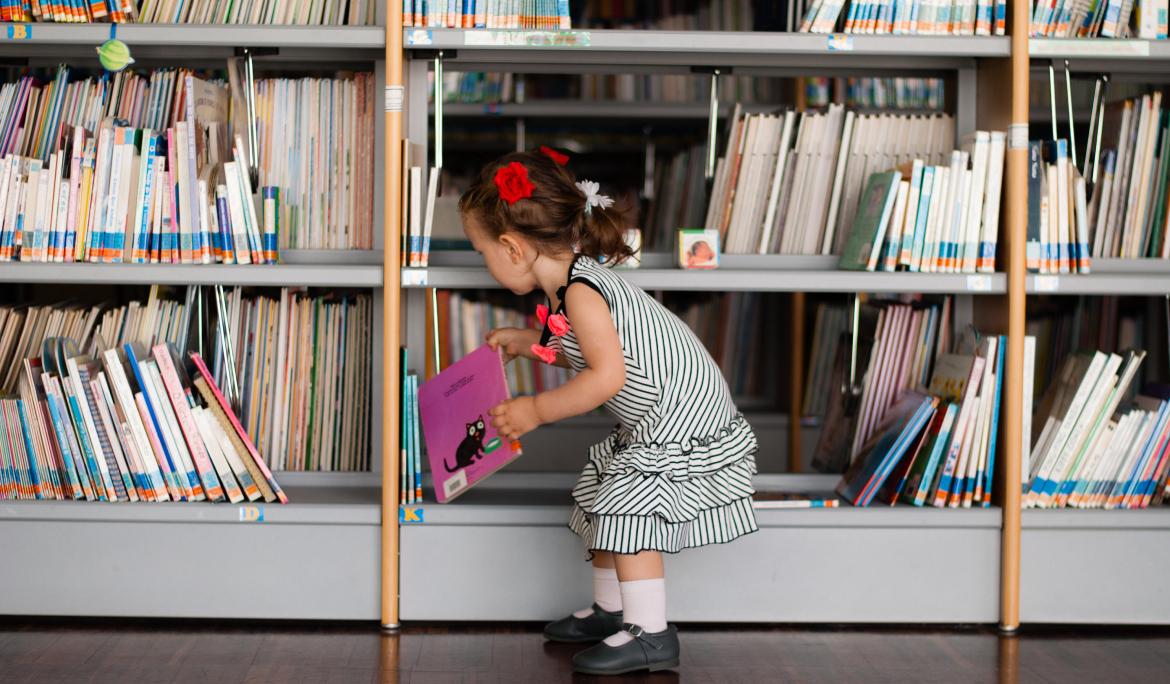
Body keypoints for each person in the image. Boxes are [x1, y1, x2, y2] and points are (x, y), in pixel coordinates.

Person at [459, 149, 759, 676]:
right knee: (604, 496)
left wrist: (536, 409)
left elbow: (606, 376)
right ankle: (612, 611)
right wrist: (528, 342)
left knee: (628, 509)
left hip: (682, 415)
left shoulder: (582, 293)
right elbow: (574, 346)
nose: (484, 260)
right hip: (658, 413)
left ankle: (651, 634)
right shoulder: (571, 283)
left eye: (481, 250)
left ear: (512, 247)